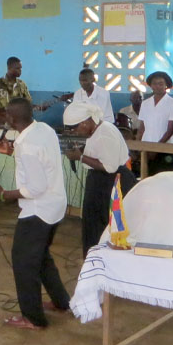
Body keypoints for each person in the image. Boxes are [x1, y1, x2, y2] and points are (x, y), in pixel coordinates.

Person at [0, 98, 70, 330]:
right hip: (55, 205)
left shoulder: (27, 146)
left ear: (11, 119)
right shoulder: (44, 129)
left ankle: (32, 317)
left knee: (23, 262)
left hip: (38, 210)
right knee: (41, 256)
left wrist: (2, 195)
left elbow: (35, 188)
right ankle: (61, 302)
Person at [62, 101, 137, 256]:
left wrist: (80, 157)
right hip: (100, 181)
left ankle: (101, 263)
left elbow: (109, 166)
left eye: (74, 128)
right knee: (92, 227)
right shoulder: (96, 131)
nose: (73, 132)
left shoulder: (104, 133)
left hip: (112, 182)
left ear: (85, 122)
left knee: (103, 228)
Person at [137, 71, 173, 174]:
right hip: (146, 147)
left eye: (161, 83)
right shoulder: (145, 103)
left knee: (164, 179)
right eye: (154, 83)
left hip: (165, 149)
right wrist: (138, 145)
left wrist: (156, 148)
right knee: (146, 178)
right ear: (151, 86)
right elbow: (142, 128)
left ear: (166, 85)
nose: (157, 86)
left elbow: (170, 131)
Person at [0, 57, 31, 122]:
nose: (20, 70)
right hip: (2, 122)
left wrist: (39, 107)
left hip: (17, 122)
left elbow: (27, 103)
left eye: (20, 68)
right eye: (17, 68)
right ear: (9, 68)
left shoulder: (22, 84)